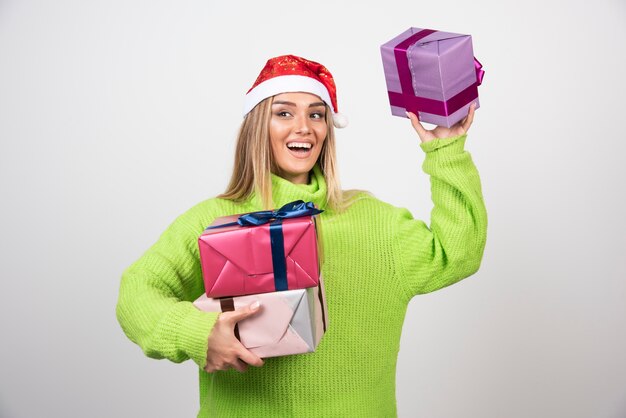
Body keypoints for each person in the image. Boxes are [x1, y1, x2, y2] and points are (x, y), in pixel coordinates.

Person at [116, 54, 487, 417]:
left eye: (316, 114)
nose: (303, 127)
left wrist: (446, 148)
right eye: (283, 112)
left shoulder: (375, 222)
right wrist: (198, 333)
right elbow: (137, 293)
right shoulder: (213, 220)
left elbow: (457, 252)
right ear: (258, 125)